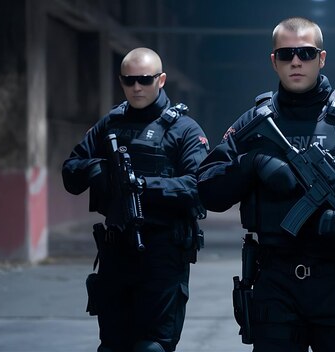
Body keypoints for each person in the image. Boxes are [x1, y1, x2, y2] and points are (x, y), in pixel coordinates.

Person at [196, 17, 335, 352]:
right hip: (275, 279)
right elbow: (208, 189)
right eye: (286, 54)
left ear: (321, 59)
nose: (296, 61)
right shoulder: (254, 124)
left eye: (306, 53)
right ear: (274, 61)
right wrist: (251, 163)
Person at [62, 47, 209, 352]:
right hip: (117, 250)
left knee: (152, 346)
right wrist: (98, 169)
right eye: (129, 81)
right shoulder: (110, 125)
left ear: (162, 80)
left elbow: (198, 187)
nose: (137, 87)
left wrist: (141, 185)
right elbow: (70, 172)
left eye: (144, 79)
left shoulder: (183, 130)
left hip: (163, 252)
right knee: (113, 345)